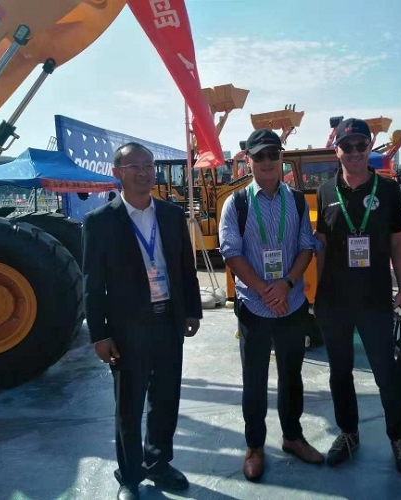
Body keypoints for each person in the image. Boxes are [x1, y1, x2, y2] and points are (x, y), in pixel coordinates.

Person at [82, 142, 203, 500]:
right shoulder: (100, 222)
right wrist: (99, 334)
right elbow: (92, 283)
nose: (143, 172)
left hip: (168, 321)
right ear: (117, 173)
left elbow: (185, 267)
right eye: (134, 166)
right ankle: (130, 476)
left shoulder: (171, 215)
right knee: (129, 405)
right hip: (127, 328)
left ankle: (159, 462)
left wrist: (192, 309)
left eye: (148, 165)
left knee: (166, 398)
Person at [219, 129, 325, 482]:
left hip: (291, 304)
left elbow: (306, 246)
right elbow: (231, 252)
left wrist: (286, 284)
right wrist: (266, 290)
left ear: (282, 158)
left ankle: (293, 437)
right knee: (254, 379)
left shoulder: (297, 201)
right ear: (248, 161)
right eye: (259, 155)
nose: (267, 161)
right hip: (255, 306)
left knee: (292, 376)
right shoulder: (236, 203)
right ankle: (254, 446)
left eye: (273, 154)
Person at [314, 118, 401, 477]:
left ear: (370, 147)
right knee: (340, 372)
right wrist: (317, 293)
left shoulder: (388, 189)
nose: (355, 152)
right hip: (334, 301)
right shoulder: (325, 191)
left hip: (375, 299)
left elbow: (398, 243)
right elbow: (322, 245)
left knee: (386, 373)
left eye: (362, 145)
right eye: (348, 146)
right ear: (337, 150)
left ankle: (399, 438)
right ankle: (348, 433)